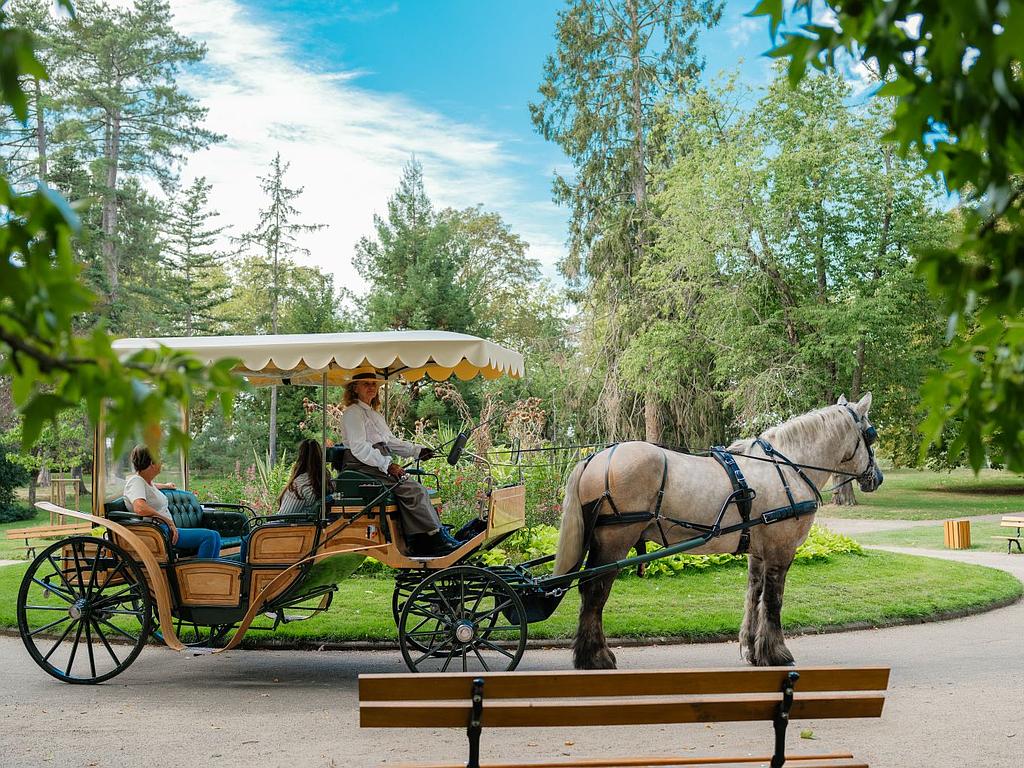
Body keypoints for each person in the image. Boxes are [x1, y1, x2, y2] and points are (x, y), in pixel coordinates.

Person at [341, 367, 458, 557]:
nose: (371, 387)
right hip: (362, 466)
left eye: (374, 384)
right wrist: (387, 465)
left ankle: (429, 537)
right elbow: (360, 448)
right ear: (355, 388)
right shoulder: (353, 413)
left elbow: (390, 442)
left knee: (416, 488)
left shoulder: (373, 413)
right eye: (366, 384)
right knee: (414, 489)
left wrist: (417, 451)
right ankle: (432, 540)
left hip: (376, 461)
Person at [124, 444, 221, 559]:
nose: (161, 462)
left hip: (163, 528)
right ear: (151, 463)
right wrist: (168, 521)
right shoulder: (136, 481)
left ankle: (210, 573)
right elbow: (140, 508)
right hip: (158, 531)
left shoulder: (146, 482)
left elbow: (151, 488)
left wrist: (166, 486)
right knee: (209, 536)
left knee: (215, 535)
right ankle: (201, 575)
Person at [278, 438, 324, 516]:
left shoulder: (300, 484)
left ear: (300, 457)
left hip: (286, 525)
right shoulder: (324, 481)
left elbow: (284, 516)